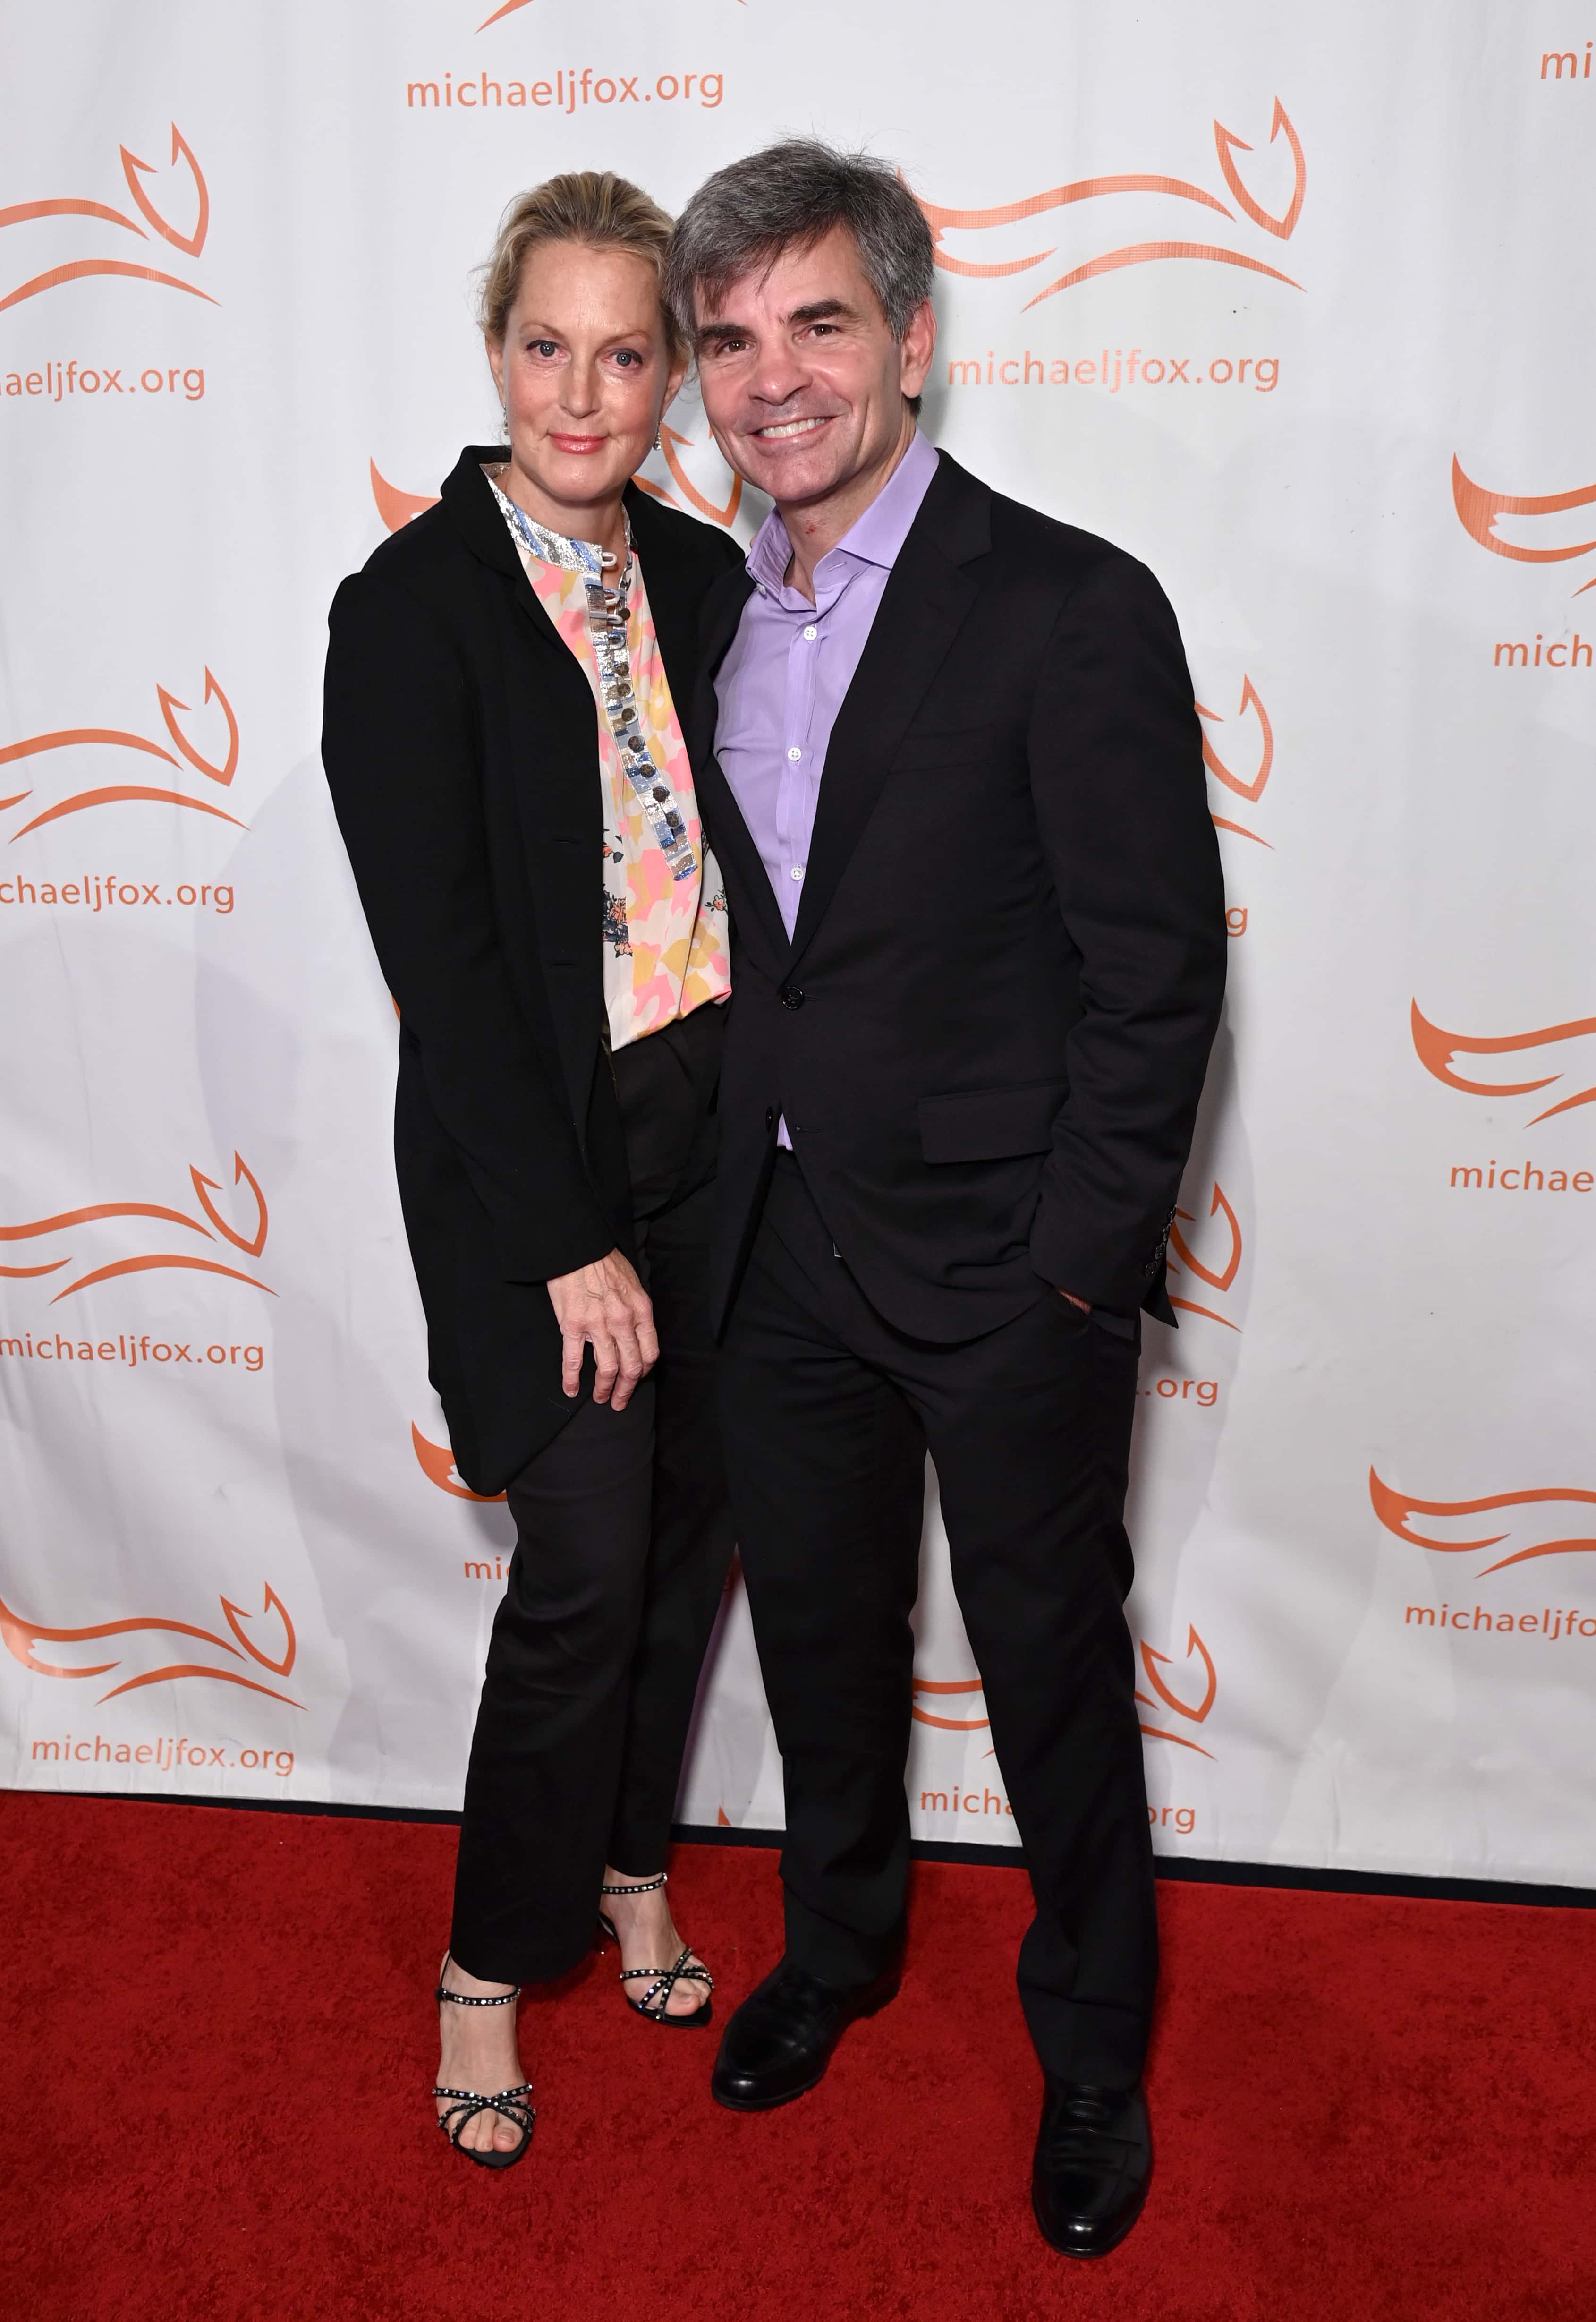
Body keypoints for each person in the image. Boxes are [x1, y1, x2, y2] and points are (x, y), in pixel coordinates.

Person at [666, 142, 1227, 2255]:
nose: (769, 377)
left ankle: (1089, 2050)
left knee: (1048, 1668)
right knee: (819, 1639)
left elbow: (1151, 967)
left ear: (911, 337)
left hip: (1005, 1269)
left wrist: (1077, 1271)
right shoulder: (705, 601)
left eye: (815, 321)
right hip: (776, 1248)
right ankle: (838, 1944)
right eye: (727, 339)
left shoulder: (1068, 603)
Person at [322, 172, 744, 2169]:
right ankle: (489, 1964)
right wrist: (569, 1239)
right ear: (499, 350)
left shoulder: (709, 570)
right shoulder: (402, 614)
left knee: (686, 1546)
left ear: (669, 371)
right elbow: (450, 969)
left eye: (624, 351)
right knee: (580, 1573)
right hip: (539, 1170)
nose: (582, 395)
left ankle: (633, 1862)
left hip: (723, 1141)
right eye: (545, 346)